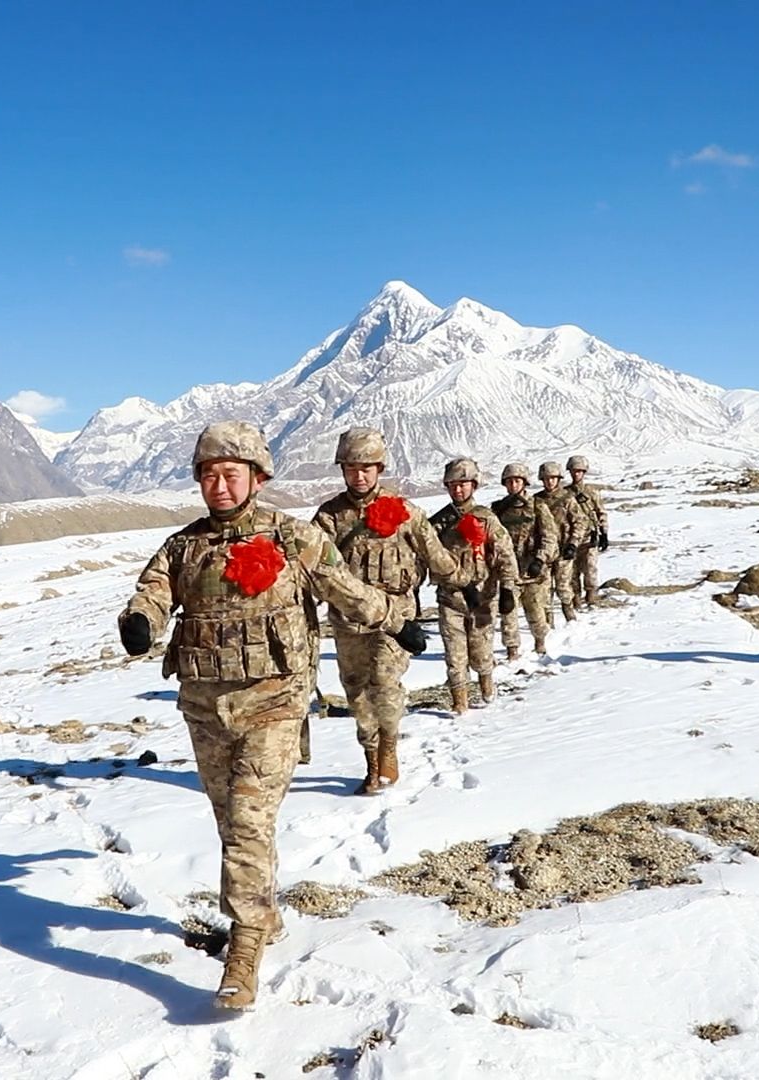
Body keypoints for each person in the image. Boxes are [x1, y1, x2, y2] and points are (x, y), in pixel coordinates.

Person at [117, 421, 424, 1010]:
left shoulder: (292, 538)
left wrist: (395, 618)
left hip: (275, 704)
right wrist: (141, 620)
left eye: (230, 475)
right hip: (205, 708)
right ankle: (265, 910)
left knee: (250, 820)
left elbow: (344, 587)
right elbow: (154, 589)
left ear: (257, 478)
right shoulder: (185, 545)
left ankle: (247, 940)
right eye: (208, 475)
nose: (219, 486)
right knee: (230, 820)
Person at [312, 426, 467, 793]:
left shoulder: (403, 512)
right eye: (351, 467)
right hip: (349, 622)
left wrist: (465, 585)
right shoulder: (329, 517)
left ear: (380, 468)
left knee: (384, 683)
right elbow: (312, 565)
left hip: (394, 621)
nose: (359, 475)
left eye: (366, 467)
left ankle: (388, 747)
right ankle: (370, 756)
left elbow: (436, 557)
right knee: (356, 691)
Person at [430, 459, 518, 713]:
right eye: (453, 485)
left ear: (473, 486)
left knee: (480, 652)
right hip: (450, 599)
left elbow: (504, 553)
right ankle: (460, 704)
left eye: (463, 485)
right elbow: (424, 553)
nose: (458, 490)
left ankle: (487, 688)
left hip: (482, 598)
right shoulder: (440, 522)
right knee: (455, 657)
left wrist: (508, 588)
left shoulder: (486, 518)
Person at [491, 462, 559, 659]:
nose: (513, 485)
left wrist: (540, 559)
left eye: (517, 481)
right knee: (508, 612)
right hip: (509, 571)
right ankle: (512, 649)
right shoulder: (498, 509)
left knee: (536, 611)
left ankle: (540, 642)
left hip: (533, 571)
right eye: (509, 482)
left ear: (524, 483)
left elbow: (549, 537)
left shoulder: (538, 507)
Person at [536, 461, 589, 624]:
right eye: (546, 479)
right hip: (544, 552)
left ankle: (569, 612)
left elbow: (580, 522)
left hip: (564, 550)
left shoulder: (567, 499)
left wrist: (573, 543)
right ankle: (548, 621)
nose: (550, 482)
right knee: (544, 590)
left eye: (553, 478)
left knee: (563, 586)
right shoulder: (536, 500)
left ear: (558, 479)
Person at [566, 454, 610, 609]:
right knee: (572, 572)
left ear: (584, 472)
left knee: (590, 570)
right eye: (573, 471)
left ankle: (591, 599)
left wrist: (604, 533)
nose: (576, 474)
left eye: (579, 471)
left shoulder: (591, 492)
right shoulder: (565, 494)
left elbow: (601, 512)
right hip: (571, 539)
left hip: (590, 538)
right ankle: (576, 600)